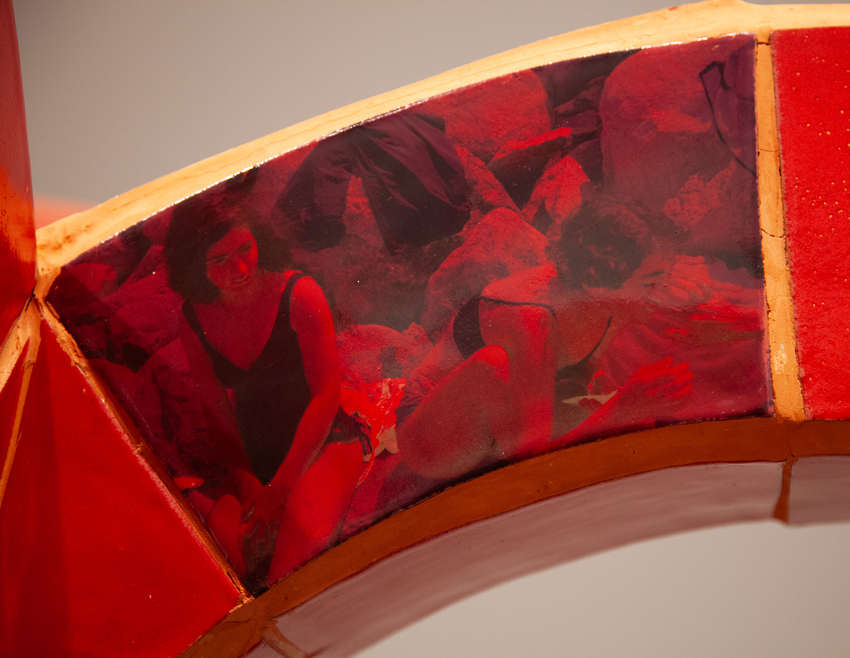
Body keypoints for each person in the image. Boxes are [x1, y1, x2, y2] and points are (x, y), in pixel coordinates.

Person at [396, 195, 697, 480]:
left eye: (665, 277)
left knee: (637, 419)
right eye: (651, 282)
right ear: (599, 280)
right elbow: (530, 457)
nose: (663, 291)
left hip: (511, 420)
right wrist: (621, 408)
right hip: (434, 435)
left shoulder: (607, 297)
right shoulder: (533, 318)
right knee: (494, 364)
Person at [164, 187, 367, 590]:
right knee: (231, 568)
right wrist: (246, 479)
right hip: (255, 452)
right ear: (194, 265)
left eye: (245, 248)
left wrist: (281, 489)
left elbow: (326, 394)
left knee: (290, 572)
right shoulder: (193, 316)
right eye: (219, 260)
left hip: (323, 440)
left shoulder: (299, 293)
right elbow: (216, 408)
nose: (240, 268)